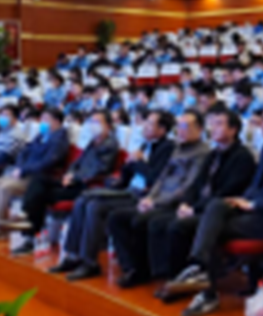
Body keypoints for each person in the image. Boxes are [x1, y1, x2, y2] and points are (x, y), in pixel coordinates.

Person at [164, 103, 263, 316]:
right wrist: (243, 199)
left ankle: (205, 285)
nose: (262, 124)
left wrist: (254, 204)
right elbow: (256, 184)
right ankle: (201, 272)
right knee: (217, 206)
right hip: (255, 212)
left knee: (212, 227)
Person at [49, 110, 175, 276]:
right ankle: (73, 255)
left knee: (94, 205)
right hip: (127, 189)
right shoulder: (145, 145)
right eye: (146, 122)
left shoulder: (167, 148)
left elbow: (154, 178)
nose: (145, 126)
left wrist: (138, 162)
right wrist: (125, 170)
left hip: (143, 195)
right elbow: (127, 174)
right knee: (82, 200)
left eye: (151, 123)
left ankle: (89, 262)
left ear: (162, 129)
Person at [146, 107, 257, 283]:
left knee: (177, 226)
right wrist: (186, 203)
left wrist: (194, 208)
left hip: (220, 212)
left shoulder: (242, 157)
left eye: (219, 124)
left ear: (233, 130)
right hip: (202, 206)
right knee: (158, 222)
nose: (213, 129)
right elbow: (197, 184)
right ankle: (162, 274)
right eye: (212, 124)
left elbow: (227, 192)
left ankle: (183, 277)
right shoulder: (214, 154)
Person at [104, 111, 210, 286]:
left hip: (175, 203)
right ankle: (130, 266)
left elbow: (188, 186)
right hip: (158, 199)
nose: (180, 131)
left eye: (185, 126)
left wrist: (156, 202)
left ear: (199, 129)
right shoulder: (178, 148)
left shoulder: (203, 153)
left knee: (141, 220)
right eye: (179, 127)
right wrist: (150, 198)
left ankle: (144, 269)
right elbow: (161, 178)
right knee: (116, 217)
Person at [15, 110, 119, 254]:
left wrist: (74, 178)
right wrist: (69, 173)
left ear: (107, 125)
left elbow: (99, 169)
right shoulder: (93, 142)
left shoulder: (109, 145)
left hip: (85, 185)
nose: (92, 125)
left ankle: (29, 235)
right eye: (91, 122)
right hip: (72, 179)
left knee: (39, 194)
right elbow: (78, 162)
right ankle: (27, 219)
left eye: (97, 122)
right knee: (38, 181)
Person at [0, 108, 69, 242]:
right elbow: (24, 151)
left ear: (56, 122)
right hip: (24, 172)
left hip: (38, 177)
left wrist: (24, 170)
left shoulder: (59, 140)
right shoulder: (41, 135)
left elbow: (47, 162)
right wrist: (20, 167)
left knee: (4, 188)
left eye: (46, 119)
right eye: (42, 119)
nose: (42, 122)